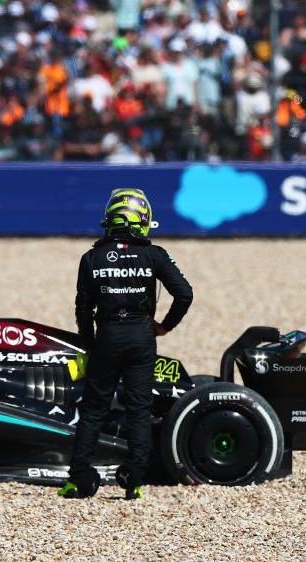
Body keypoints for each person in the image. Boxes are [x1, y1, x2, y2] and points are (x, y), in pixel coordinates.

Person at [58, 189, 193, 500]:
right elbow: (185, 293)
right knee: (139, 409)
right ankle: (133, 479)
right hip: (141, 337)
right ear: (143, 221)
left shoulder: (91, 257)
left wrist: (90, 344)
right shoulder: (154, 254)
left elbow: (82, 309)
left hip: (107, 336)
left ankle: (79, 478)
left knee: (93, 410)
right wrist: (165, 327)